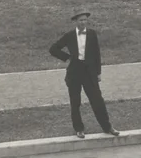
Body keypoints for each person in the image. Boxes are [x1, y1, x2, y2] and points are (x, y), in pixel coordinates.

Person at [48, 10, 121, 139]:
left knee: (97, 100)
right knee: (75, 102)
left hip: (89, 73)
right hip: (75, 72)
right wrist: (68, 58)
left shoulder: (92, 34)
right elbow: (53, 49)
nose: (83, 22)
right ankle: (79, 129)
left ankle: (107, 127)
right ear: (75, 22)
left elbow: (96, 54)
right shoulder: (69, 35)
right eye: (80, 20)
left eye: (85, 20)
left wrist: (98, 72)